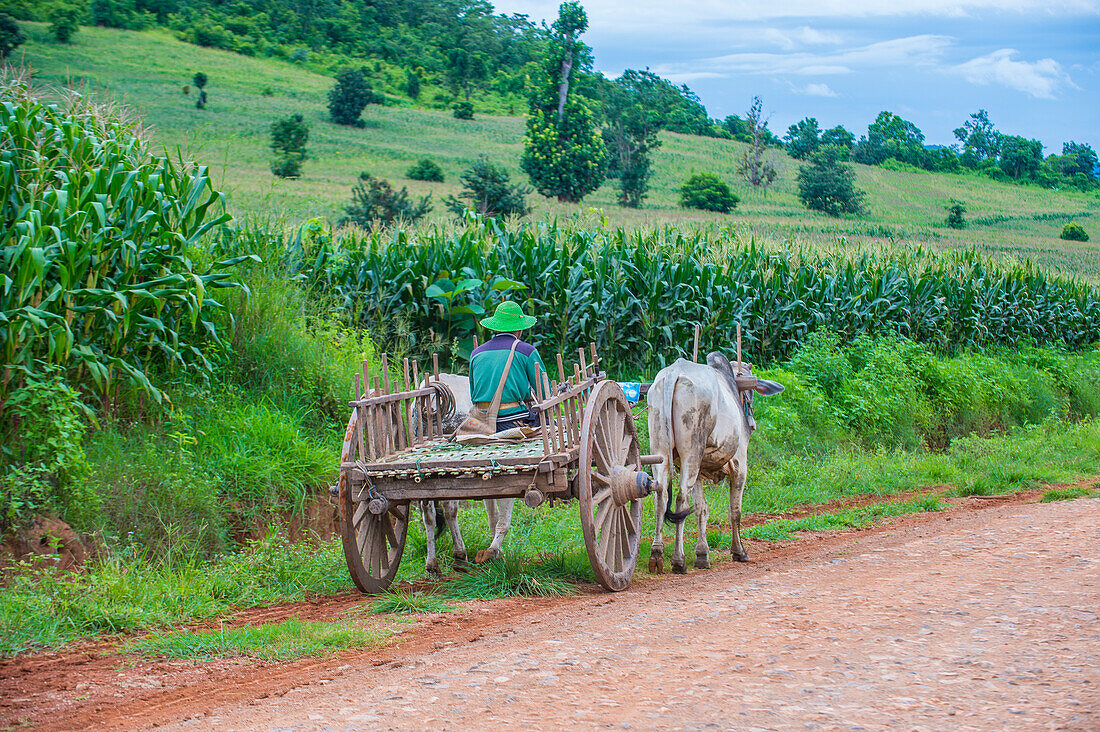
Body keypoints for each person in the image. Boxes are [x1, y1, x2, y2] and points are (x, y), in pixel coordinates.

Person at [469, 300, 547, 431]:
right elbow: (544, 392)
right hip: (513, 419)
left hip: (482, 419)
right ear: (519, 329)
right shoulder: (527, 351)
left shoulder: (476, 353)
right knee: (551, 425)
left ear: (495, 328)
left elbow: (473, 392)